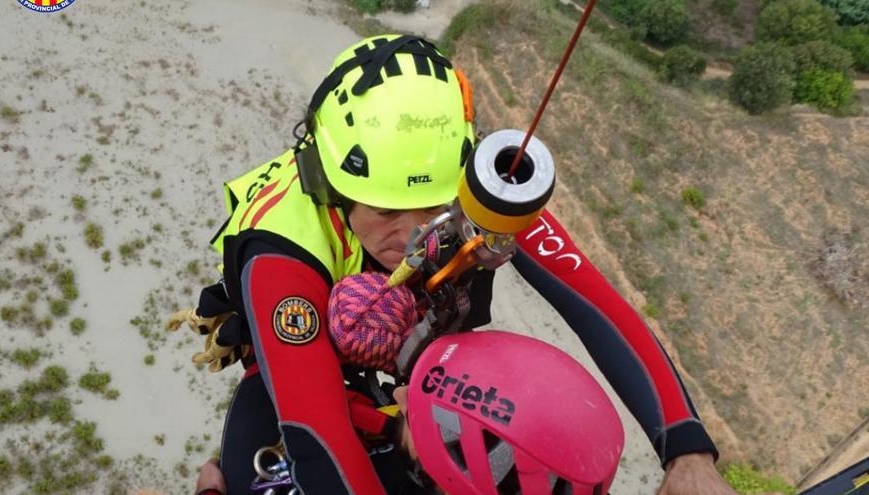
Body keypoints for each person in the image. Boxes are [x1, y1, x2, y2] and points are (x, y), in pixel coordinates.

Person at [184, 34, 745, 495]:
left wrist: (685, 448)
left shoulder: (482, 192)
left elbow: (594, 300)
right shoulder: (281, 247)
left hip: (419, 356)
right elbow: (314, 427)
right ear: (329, 184)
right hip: (309, 366)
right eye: (384, 212)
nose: (409, 237)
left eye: (433, 209)